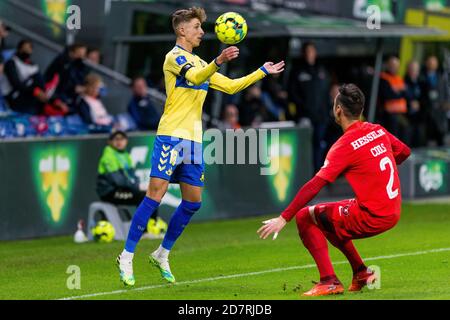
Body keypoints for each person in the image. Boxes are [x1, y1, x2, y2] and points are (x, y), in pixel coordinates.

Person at [116, 6, 285, 287]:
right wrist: (218, 60)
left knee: (194, 202)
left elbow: (230, 87)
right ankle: (127, 255)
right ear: (182, 30)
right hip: (171, 135)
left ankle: (162, 253)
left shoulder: (200, 62)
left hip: (194, 140)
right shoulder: (173, 58)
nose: (202, 32)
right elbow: (195, 78)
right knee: (155, 194)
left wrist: (261, 72)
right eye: (197, 27)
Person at [257, 84, 411, 297]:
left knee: (305, 216)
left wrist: (284, 218)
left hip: (372, 215)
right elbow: (404, 152)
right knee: (327, 218)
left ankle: (328, 281)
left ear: (338, 109)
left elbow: (315, 185)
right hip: (392, 209)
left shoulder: (344, 145)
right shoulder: (378, 130)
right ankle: (361, 272)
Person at [97, 130, 167, 239]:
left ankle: (152, 225)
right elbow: (118, 181)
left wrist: (139, 184)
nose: (119, 142)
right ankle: (144, 232)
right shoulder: (108, 156)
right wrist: (137, 187)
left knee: (151, 194)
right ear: (110, 142)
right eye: (116, 139)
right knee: (142, 196)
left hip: (121, 190)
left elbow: (132, 176)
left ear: (126, 141)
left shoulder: (125, 155)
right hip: (109, 192)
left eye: (122, 139)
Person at [288, 42, 331, 173]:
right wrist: (303, 108)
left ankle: (318, 173)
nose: (309, 54)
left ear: (315, 53)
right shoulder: (297, 71)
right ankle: (304, 173)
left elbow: (326, 93)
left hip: (321, 116)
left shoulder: (321, 70)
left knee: (319, 144)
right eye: (307, 51)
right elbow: (292, 93)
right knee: (304, 145)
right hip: (305, 116)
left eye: (311, 51)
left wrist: (328, 111)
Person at [3, 39, 48, 115]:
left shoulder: (33, 66)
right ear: (19, 49)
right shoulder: (11, 62)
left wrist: (40, 91)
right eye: (25, 48)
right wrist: (34, 91)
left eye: (29, 49)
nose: (27, 51)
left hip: (29, 97)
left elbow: (40, 82)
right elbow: (16, 84)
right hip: (12, 97)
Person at [378, 56, 410, 144]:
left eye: (396, 65)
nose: (394, 67)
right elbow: (387, 95)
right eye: (392, 65)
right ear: (388, 65)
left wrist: (397, 93)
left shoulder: (399, 78)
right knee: (393, 137)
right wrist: (400, 93)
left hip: (401, 113)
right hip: (389, 114)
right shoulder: (384, 78)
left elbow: (407, 94)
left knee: (405, 133)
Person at [420, 55, 448, 146]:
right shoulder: (421, 76)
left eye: (434, 62)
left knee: (441, 138)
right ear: (427, 63)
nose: (432, 64)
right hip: (427, 112)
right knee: (426, 138)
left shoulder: (441, 77)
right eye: (430, 62)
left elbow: (445, 91)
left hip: (440, 112)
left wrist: (447, 103)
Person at [404, 61, 426, 147]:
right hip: (407, 117)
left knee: (419, 140)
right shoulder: (403, 81)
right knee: (407, 141)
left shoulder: (422, 82)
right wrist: (410, 103)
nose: (414, 71)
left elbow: (425, 98)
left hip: (419, 117)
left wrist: (419, 103)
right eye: (412, 69)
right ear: (408, 70)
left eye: (416, 69)